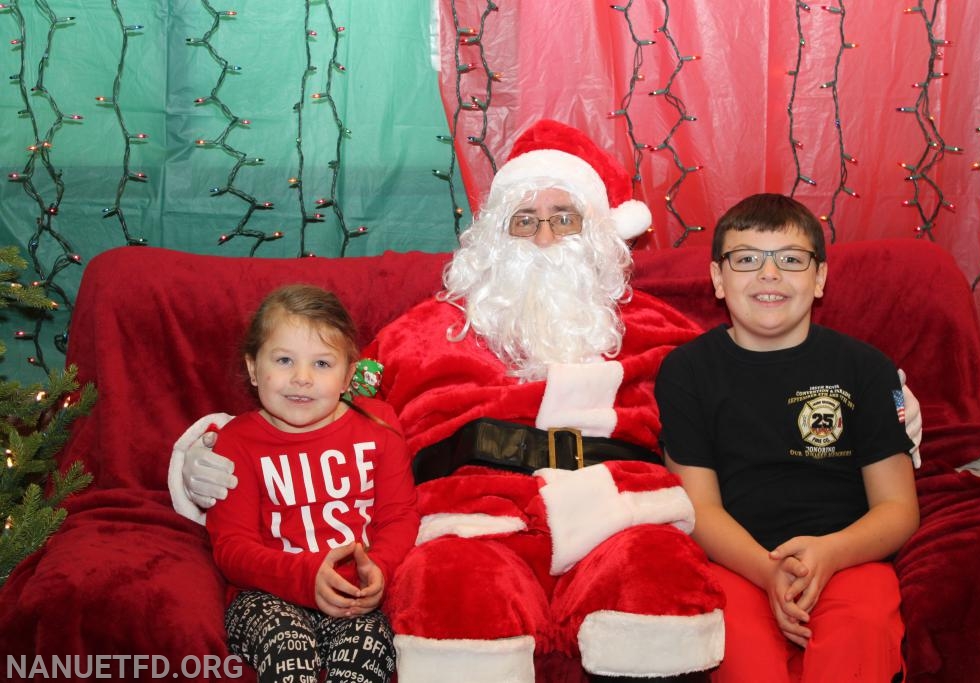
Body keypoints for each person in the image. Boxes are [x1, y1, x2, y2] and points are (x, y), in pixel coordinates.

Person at [169, 122, 919, 682]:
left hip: (624, 518)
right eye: (524, 219)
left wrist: (889, 406)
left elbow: (760, 380)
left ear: (597, 236)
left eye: (565, 218)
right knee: (455, 597)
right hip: (473, 520)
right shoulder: (423, 331)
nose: (544, 236)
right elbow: (319, 393)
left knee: (652, 590)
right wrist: (211, 447)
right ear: (493, 237)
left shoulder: (664, 333)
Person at [654, 193, 920, 682]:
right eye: (747, 259)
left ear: (819, 278)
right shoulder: (686, 372)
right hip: (737, 562)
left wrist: (832, 553)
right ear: (718, 278)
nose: (769, 275)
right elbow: (699, 509)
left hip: (849, 557)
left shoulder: (865, 368)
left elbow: (899, 508)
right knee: (740, 657)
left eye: (791, 260)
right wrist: (766, 570)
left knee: (859, 636)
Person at [204, 284, 418, 683]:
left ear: (347, 375)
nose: (301, 378)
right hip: (266, 595)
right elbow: (231, 548)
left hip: (355, 598)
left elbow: (400, 516)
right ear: (253, 368)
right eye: (284, 360)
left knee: (371, 645)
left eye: (322, 364)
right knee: (288, 645)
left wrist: (381, 569)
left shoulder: (379, 426)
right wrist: (305, 577)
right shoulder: (236, 442)